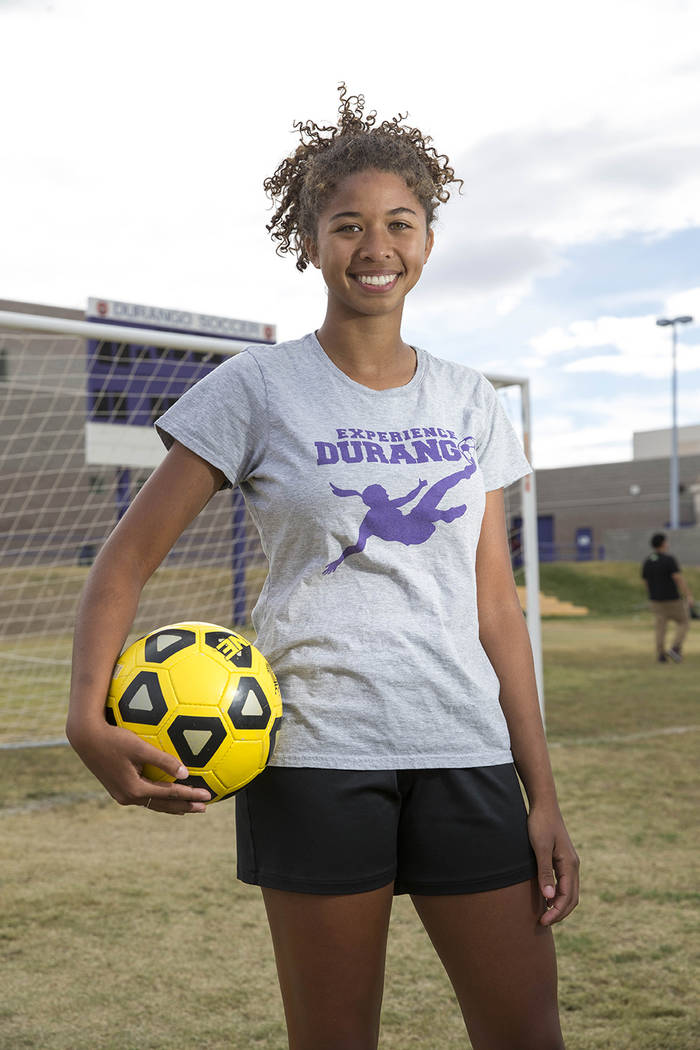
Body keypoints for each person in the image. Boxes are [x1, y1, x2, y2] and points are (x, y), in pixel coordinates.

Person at [67, 86, 579, 1050]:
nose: (375, 246)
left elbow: (498, 612)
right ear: (309, 241)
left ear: (428, 239)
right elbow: (125, 560)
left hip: (466, 754)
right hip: (312, 758)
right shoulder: (255, 389)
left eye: (399, 223)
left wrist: (542, 795)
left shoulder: (472, 402)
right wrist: (84, 715)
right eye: (348, 225)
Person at [641, 532, 694, 662]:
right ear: (663, 543)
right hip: (672, 599)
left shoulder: (648, 561)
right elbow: (678, 579)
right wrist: (688, 595)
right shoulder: (669, 560)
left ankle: (661, 655)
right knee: (684, 622)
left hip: (655, 600)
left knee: (660, 627)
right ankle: (675, 648)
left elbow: (645, 581)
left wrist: (652, 594)